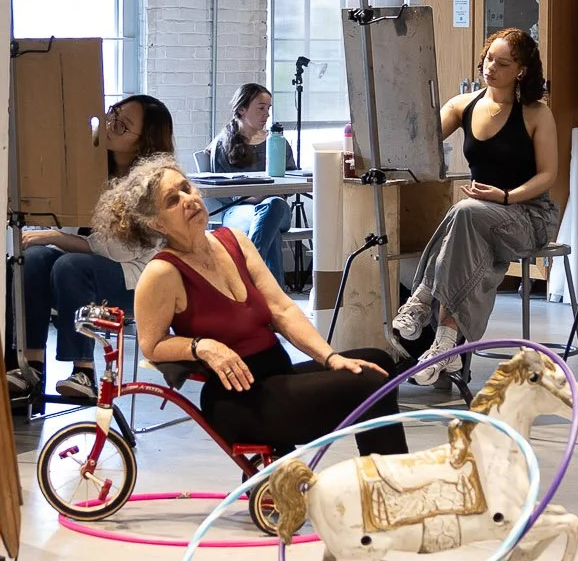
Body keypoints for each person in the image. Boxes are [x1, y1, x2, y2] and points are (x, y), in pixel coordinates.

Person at [100, 155, 407, 469]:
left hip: (276, 378)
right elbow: (152, 344)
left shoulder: (234, 241)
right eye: (172, 200)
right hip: (239, 400)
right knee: (368, 382)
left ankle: (383, 481)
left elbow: (282, 308)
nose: (189, 200)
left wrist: (330, 357)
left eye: (187, 188)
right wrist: (202, 346)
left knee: (378, 361)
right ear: (156, 223)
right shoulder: (162, 273)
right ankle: (391, 489)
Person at [390, 29, 564, 380]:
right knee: (469, 227)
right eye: (489, 60)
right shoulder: (462, 105)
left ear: (522, 70)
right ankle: (447, 342)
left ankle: (422, 299)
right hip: (481, 220)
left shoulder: (536, 113)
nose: (491, 68)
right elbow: (419, 146)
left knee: (464, 211)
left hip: (529, 216)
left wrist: (505, 196)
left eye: (503, 63)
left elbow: (548, 175)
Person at [15, 93, 174, 402]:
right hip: (83, 268)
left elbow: (117, 251)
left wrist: (53, 237)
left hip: (135, 281)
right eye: (112, 115)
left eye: (123, 125)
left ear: (144, 141)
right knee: (32, 259)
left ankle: (84, 371)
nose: (111, 124)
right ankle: (30, 366)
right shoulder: (90, 166)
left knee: (69, 265)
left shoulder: (153, 183)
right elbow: (64, 224)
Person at [205, 82, 294, 279]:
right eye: (261, 108)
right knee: (270, 231)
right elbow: (224, 192)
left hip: (276, 208)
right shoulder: (223, 142)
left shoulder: (278, 142)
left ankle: (245, 275)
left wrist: (266, 195)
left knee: (274, 206)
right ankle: (274, 300)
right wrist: (254, 197)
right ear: (242, 109)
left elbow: (291, 182)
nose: (267, 114)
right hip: (237, 210)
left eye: (268, 108)